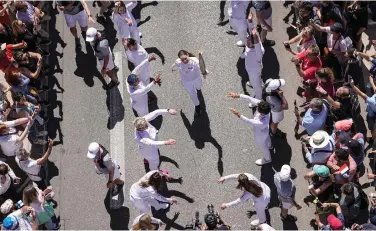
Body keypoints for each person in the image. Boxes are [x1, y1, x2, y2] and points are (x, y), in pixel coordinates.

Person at [227, 92, 272, 166]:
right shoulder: (263, 106)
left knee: (262, 146)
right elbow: (250, 99)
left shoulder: (262, 122)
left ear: (263, 113)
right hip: (265, 130)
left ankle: (267, 159)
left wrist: (238, 114)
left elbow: (249, 121)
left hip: (260, 134)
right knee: (267, 139)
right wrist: (237, 95)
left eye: (258, 109)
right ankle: (270, 146)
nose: (257, 108)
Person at [172, 50, 205, 116]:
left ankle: (198, 90)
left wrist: (205, 71)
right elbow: (174, 65)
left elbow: (201, 67)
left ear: (187, 55)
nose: (184, 61)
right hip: (187, 82)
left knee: (199, 87)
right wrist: (172, 69)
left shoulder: (194, 61)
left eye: (185, 58)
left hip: (196, 79)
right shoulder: (178, 62)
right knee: (192, 94)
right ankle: (197, 106)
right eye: (182, 60)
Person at [240, 28, 264, 100]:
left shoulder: (259, 52)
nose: (247, 41)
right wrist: (250, 22)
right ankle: (256, 83)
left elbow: (258, 45)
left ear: (255, 44)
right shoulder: (250, 45)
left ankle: (258, 98)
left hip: (255, 71)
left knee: (257, 87)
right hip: (249, 69)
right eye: (248, 39)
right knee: (253, 79)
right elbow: (253, 32)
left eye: (249, 40)